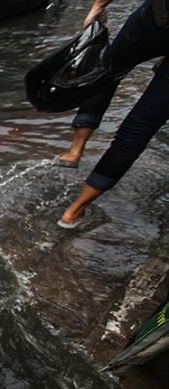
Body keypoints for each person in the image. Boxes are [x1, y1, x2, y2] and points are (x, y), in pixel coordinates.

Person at [59, 0, 169, 228]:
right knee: (141, 126)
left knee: (107, 72)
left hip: (160, 16)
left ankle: (74, 151)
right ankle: (74, 211)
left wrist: (99, 5)